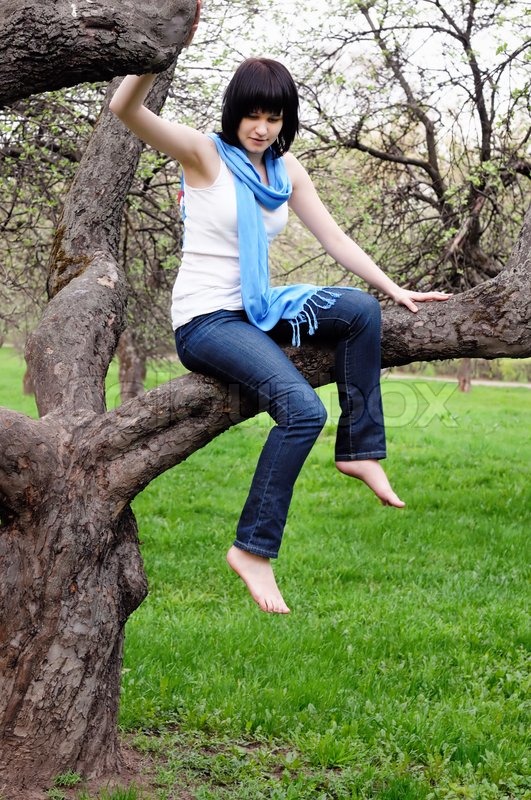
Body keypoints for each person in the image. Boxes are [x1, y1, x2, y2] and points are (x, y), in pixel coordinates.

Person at [109, 0, 450, 615]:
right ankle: (253, 549)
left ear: (285, 120)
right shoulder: (203, 155)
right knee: (298, 410)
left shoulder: (286, 170)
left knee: (361, 312)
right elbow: (124, 109)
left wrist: (394, 286)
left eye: (272, 117)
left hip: (259, 308)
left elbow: (335, 239)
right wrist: (162, 49)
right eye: (251, 115)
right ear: (234, 114)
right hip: (207, 321)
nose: (260, 128)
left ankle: (360, 451)